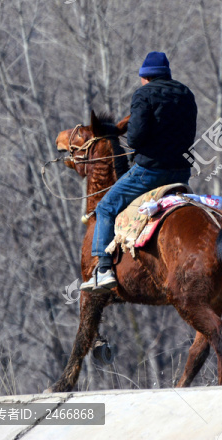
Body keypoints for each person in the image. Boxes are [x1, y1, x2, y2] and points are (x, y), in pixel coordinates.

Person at [82, 51, 197, 292]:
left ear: (145, 77)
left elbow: (133, 139)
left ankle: (102, 270)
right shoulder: (186, 93)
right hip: (181, 172)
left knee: (105, 207)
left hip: (150, 172)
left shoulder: (143, 94)